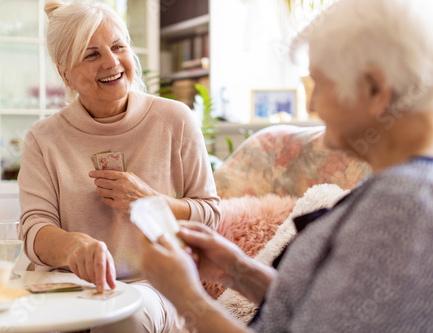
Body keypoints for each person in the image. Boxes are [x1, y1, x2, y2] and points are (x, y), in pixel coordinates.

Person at [140, 0, 433, 331]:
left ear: (375, 89)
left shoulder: (401, 206)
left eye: (320, 84)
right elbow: (321, 313)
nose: (311, 104)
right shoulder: (398, 187)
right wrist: (237, 270)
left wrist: (184, 296)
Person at [18, 1, 220, 332]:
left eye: (117, 47)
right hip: (65, 287)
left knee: (124, 319)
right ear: (63, 72)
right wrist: (72, 247)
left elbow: (210, 213)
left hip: (153, 285)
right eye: (91, 54)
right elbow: (34, 230)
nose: (112, 63)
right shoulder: (43, 138)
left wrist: (153, 202)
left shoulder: (175, 120)